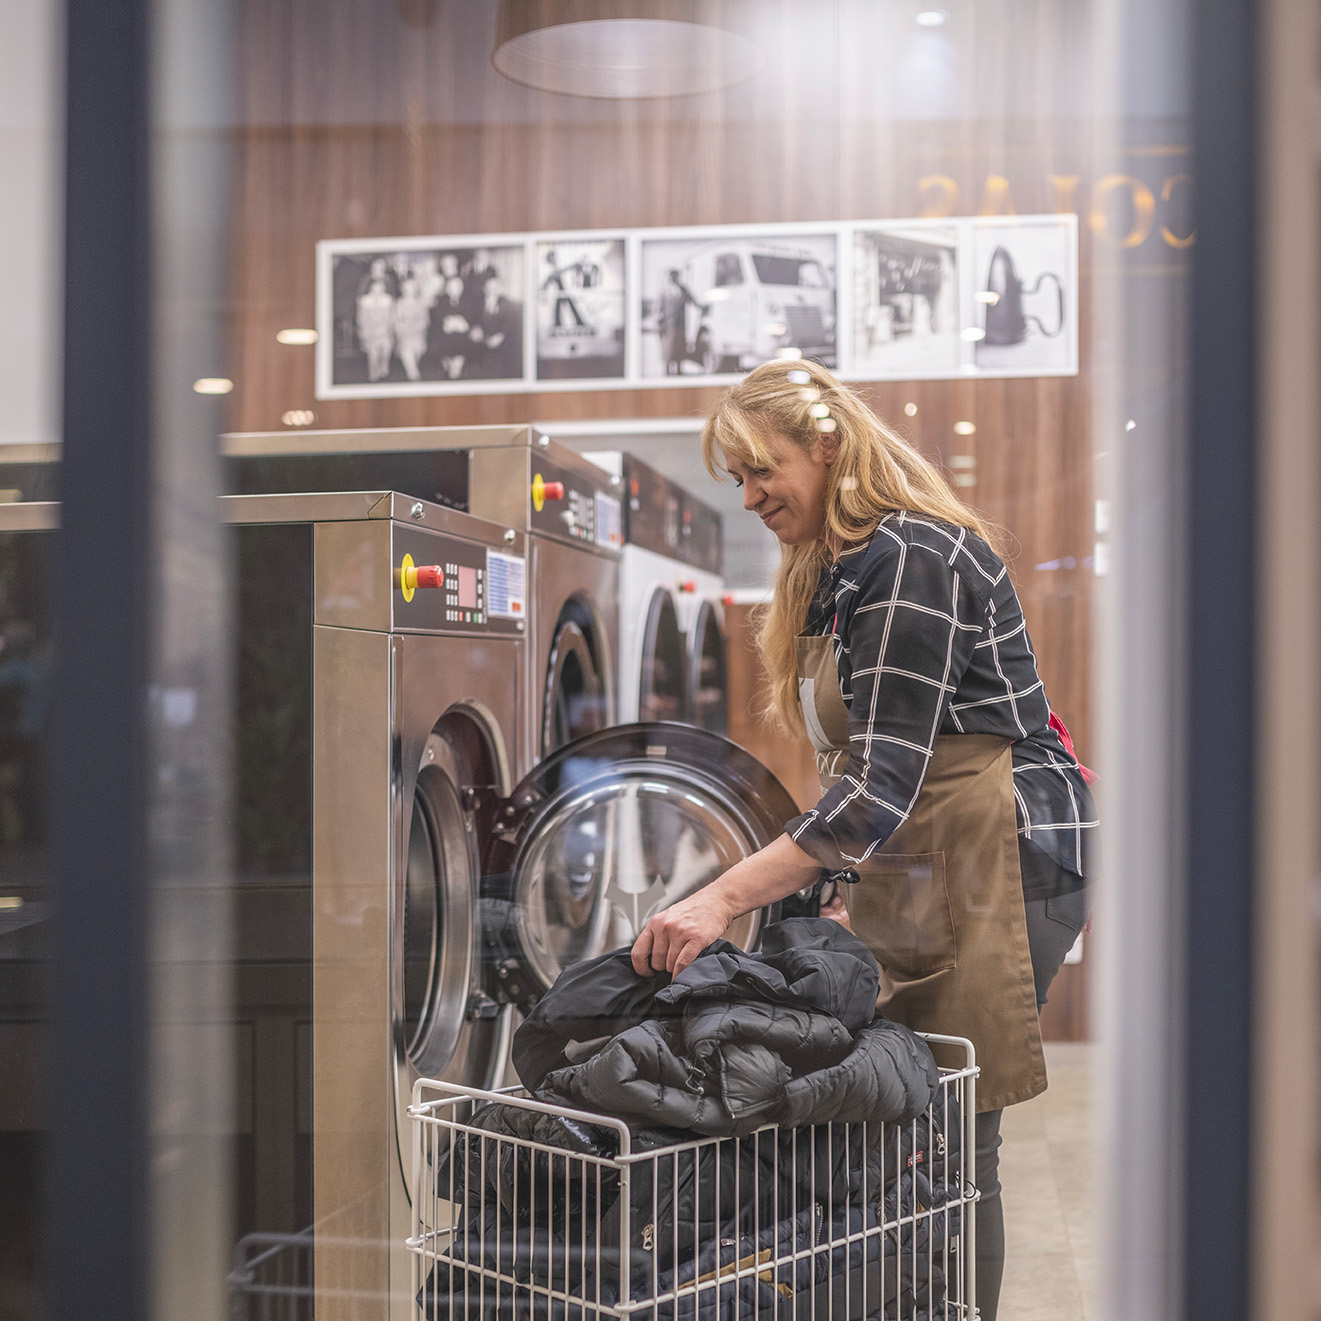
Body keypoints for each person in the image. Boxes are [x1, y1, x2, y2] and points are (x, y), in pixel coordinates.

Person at [630, 357, 1096, 1321]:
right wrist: (830, 881)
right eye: (738, 480)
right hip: (932, 852)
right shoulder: (846, 573)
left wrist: (723, 895)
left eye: (763, 469)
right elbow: (873, 772)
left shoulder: (911, 554)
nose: (752, 496)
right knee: (903, 1121)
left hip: (995, 849)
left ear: (828, 446)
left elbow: (884, 780)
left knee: (956, 1131)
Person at [657, 268, 707, 374]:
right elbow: (660, 309)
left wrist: (703, 308)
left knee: (678, 348)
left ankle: (679, 370)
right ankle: (667, 371)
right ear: (669, 278)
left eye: (676, 276)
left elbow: (693, 301)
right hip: (668, 326)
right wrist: (660, 324)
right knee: (668, 349)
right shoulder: (665, 291)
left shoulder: (683, 290)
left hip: (680, 325)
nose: (674, 278)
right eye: (672, 276)